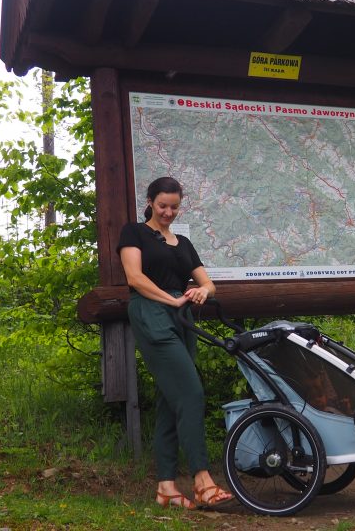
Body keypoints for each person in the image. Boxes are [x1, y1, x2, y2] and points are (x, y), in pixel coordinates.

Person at [117, 176, 233, 510]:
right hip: (152, 313)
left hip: (182, 319)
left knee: (172, 401)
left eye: (175, 207)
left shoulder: (183, 243)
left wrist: (200, 291)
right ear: (151, 202)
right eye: (163, 205)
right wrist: (172, 301)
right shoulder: (134, 232)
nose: (169, 212)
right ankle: (202, 479)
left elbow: (209, 284)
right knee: (192, 393)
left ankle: (166, 488)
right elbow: (135, 278)